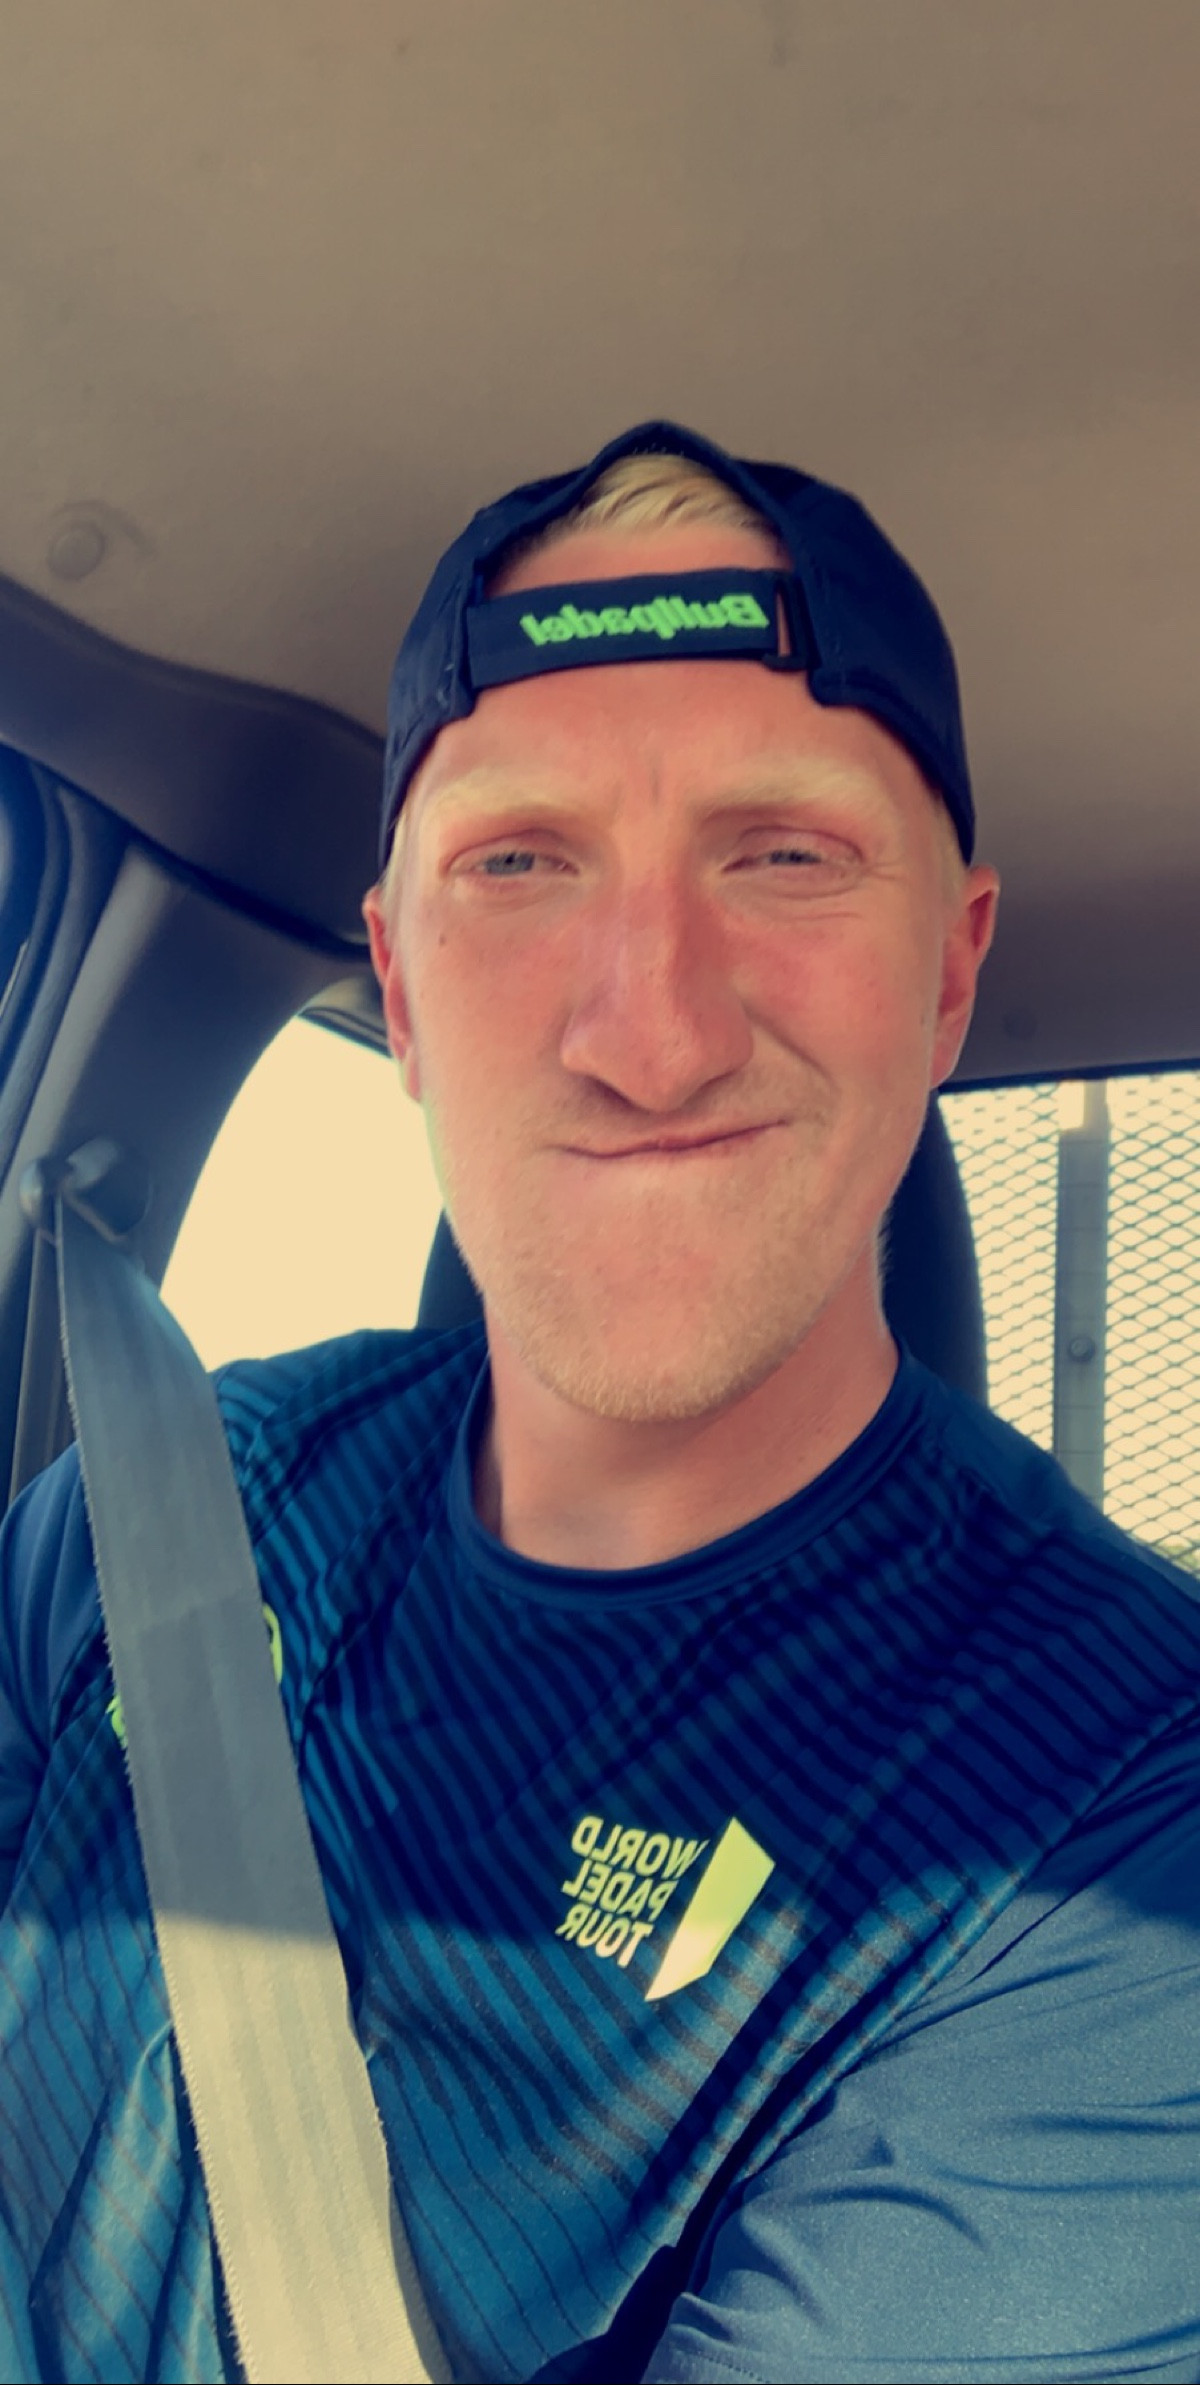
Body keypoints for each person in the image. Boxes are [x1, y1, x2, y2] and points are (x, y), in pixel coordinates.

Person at [1, 420, 1198, 2385]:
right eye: (519, 863)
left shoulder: (1122, 1823)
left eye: (785, 853)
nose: (650, 1030)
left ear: (948, 976)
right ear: (399, 986)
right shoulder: (163, 1492)